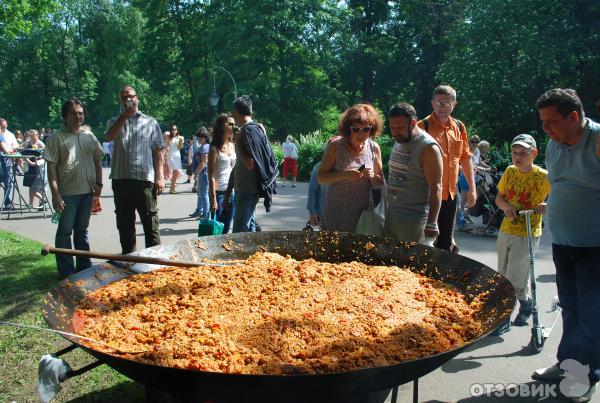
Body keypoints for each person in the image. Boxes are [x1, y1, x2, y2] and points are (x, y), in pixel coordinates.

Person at [531, 88, 599, 402]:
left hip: (594, 246)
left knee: (592, 314)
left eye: (551, 122)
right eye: (543, 122)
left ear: (574, 117)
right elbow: (557, 187)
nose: (546, 128)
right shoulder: (553, 145)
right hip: (563, 243)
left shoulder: (597, 142)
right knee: (570, 309)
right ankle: (568, 365)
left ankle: (586, 377)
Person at [492, 134, 550, 336]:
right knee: (502, 273)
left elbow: (557, 197)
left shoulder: (542, 176)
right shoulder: (509, 172)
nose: (518, 157)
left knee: (514, 278)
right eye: (515, 153)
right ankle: (525, 303)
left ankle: (503, 318)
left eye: (523, 153)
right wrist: (505, 206)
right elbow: (499, 197)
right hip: (507, 229)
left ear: (533, 153)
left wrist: (545, 205)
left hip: (527, 231)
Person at [43, 99, 103, 279]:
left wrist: (99, 184)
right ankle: (66, 272)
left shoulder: (89, 136)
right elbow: (51, 168)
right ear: (65, 117)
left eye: (80, 113)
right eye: (73, 113)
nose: (78, 117)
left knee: (82, 231)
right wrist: (55, 195)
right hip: (67, 194)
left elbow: (97, 160)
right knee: (64, 232)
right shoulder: (56, 138)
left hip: (88, 192)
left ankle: (84, 268)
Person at [104, 86, 165, 255]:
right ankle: (130, 260)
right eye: (124, 97)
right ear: (120, 101)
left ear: (137, 98)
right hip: (121, 179)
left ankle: (154, 261)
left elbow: (158, 151)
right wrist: (124, 116)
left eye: (131, 96)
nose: (128, 100)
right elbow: (108, 137)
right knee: (125, 224)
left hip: (144, 179)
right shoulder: (114, 121)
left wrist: (160, 177)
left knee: (150, 222)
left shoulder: (150, 122)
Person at [418, 85, 476, 251]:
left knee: (445, 243)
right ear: (432, 103)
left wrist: (472, 188)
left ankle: (438, 277)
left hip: (450, 194)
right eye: (439, 103)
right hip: (428, 196)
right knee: (425, 242)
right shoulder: (423, 127)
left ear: (454, 104)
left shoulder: (459, 127)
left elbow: (465, 158)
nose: (442, 107)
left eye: (447, 103)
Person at [318, 104, 384, 232]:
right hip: (336, 213)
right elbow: (321, 178)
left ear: (372, 129)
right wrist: (344, 174)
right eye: (356, 129)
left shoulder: (374, 148)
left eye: (366, 129)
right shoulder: (335, 146)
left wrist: (372, 176)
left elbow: (380, 182)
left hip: (362, 216)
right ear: (348, 128)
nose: (361, 133)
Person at [385, 102, 443, 244]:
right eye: (392, 128)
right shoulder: (400, 139)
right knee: (387, 265)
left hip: (413, 223)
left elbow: (436, 187)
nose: (395, 132)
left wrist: (432, 223)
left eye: (399, 128)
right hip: (391, 217)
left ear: (413, 123)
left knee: (409, 266)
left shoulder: (429, 148)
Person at [224, 96, 278, 233]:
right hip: (248, 188)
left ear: (236, 112)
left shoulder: (247, 132)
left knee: (240, 232)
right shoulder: (256, 129)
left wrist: (238, 143)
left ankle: (240, 255)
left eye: (232, 114)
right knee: (250, 229)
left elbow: (249, 164)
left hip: (247, 188)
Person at [206, 114, 236, 232]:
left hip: (231, 192)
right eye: (230, 124)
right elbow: (211, 176)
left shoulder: (233, 146)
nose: (233, 126)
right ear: (222, 127)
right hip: (218, 193)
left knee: (226, 228)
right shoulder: (214, 148)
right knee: (216, 229)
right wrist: (213, 199)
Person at [22, 129, 46, 208]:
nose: (34, 139)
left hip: (38, 166)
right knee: (30, 185)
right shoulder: (26, 143)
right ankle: (30, 203)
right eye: (32, 138)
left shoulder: (41, 144)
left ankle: (43, 202)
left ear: (38, 136)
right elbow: (22, 151)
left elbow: (44, 155)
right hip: (29, 166)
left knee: (38, 186)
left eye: (35, 138)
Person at [189, 129, 210, 218]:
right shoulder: (203, 146)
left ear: (205, 137)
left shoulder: (205, 147)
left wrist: (196, 173)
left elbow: (203, 162)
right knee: (200, 193)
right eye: (198, 137)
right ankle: (199, 210)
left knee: (204, 194)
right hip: (203, 173)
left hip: (204, 173)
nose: (199, 139)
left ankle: (205, 213)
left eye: (201, 137)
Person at [0, 118, 19, 208]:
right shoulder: (0, 136)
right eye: (2, 127)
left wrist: (11, 149)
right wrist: (9, 150)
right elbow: (6, 150)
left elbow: (16, 145)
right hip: (3, 161)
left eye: (5, 127)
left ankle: (8, 203)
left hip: (8, 163)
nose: (3, 129)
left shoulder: (10, 134)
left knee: (8, 183)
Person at [166, 125, 184, 194]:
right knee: (175, 171)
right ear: (171, 130)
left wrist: (181, 141)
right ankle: (172, 188)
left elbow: (180, 148)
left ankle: (172, 187)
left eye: (175, 129)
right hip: (171, 155)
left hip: (177, 156)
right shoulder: (169, 137)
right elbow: (166, 147)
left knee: (176, 172)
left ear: (177, 130)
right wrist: (165, 154)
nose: (174, 130)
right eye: (173, 129)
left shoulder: (180, 138)